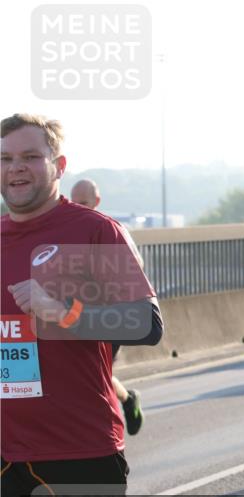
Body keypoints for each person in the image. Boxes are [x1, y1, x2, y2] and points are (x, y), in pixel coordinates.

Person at [1, 114, 163, 497]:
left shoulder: (93, 230)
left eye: (29, 157)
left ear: (58, 165)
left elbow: (146, 323)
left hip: (80, 438)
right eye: (5, 159)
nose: (16, 169)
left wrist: (63, 313)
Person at [70, 178, 145, 435]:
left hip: (109, 314)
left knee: (95, 373)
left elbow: (137, 268)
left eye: (83, 203)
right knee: (87, 372)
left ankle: (105, 429)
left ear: (97, 202)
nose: (77, 207)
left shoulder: (110, 230)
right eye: (73, 202)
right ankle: (127, 399)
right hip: (76, 315)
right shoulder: (68, 232)